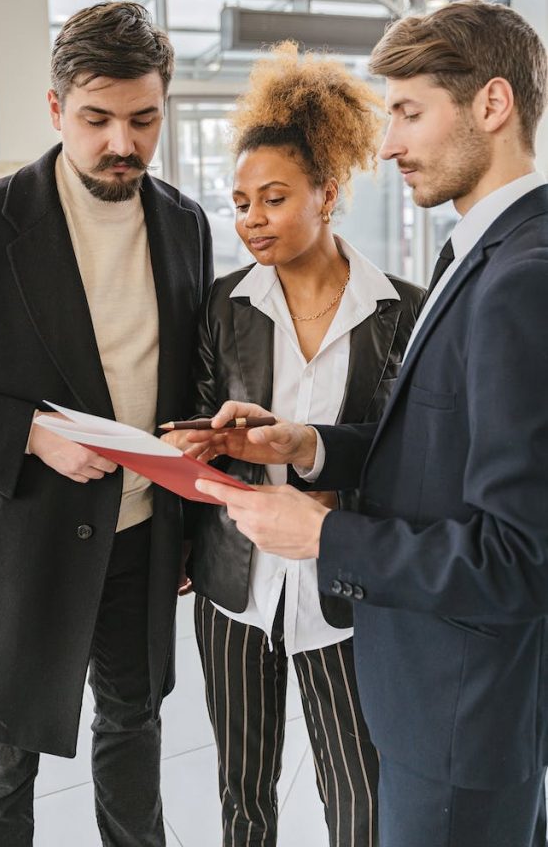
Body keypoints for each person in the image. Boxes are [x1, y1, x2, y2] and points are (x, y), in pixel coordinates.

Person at [194, 0, 548, 847]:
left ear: (491, 105)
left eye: (408, 112)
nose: (388, 143)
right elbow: (438, 447)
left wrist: (322, 538)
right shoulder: (478, 253)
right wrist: (310, 445)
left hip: (457, 712)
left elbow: (521, 557)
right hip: (439, 699)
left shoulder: (520, 279)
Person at [0, 1, 213, 847]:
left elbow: (185, 376)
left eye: (142, 119)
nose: (121, 143)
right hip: (19, 540)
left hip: (140, 537)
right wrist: (28, 432)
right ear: (56, 110)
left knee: (134, 730)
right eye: (96, 120)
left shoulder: (184, 223)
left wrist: (190, 517)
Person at [168, 43, 422, 847]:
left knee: (361, 791)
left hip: (342, 590)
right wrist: (199, 443)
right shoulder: (220, 306)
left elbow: (406, 453)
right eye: (239, 203)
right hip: (234, 585)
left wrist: (334, 491)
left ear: (328, 192)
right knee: (243, 788)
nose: (250, 221)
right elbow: (200, 418)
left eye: (272, 199)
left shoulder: (400, 314)